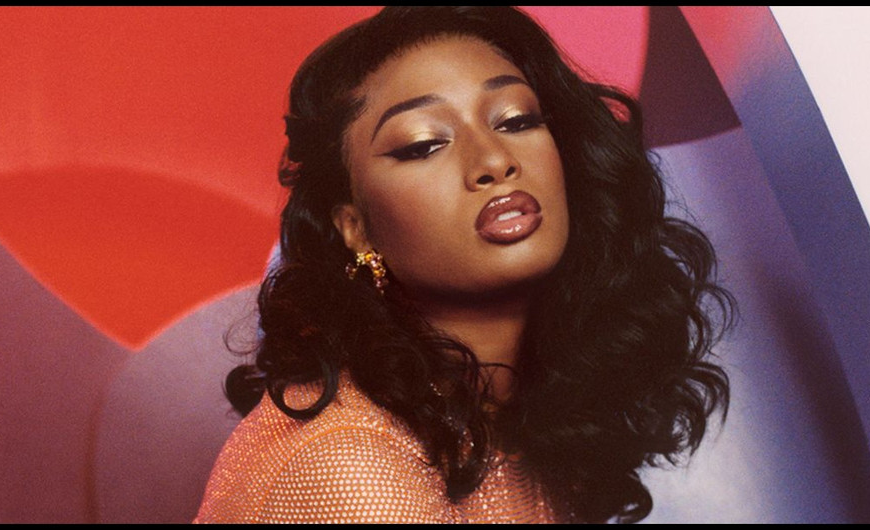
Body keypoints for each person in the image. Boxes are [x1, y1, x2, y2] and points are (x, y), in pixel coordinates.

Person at [194, 6, 734, 524]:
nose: (494, 161)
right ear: (355, 227)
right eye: (424, 144)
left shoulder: (506, 416)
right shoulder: (347, 464)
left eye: (516, 120)